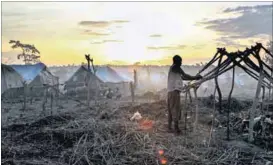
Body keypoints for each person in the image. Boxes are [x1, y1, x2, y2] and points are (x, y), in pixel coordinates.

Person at [167, 55, 202, 134]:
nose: (181, 63)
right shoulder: (175, 67)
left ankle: (169, 127)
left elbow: (184, 77)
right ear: (176, 62)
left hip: (171, 92)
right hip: (174, 92)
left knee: (171, 109)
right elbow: (185, 75)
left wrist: (194, 78)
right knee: (175, 109)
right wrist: (195, 77)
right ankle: (176, 129)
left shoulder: (174, 69)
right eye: (180, 61)